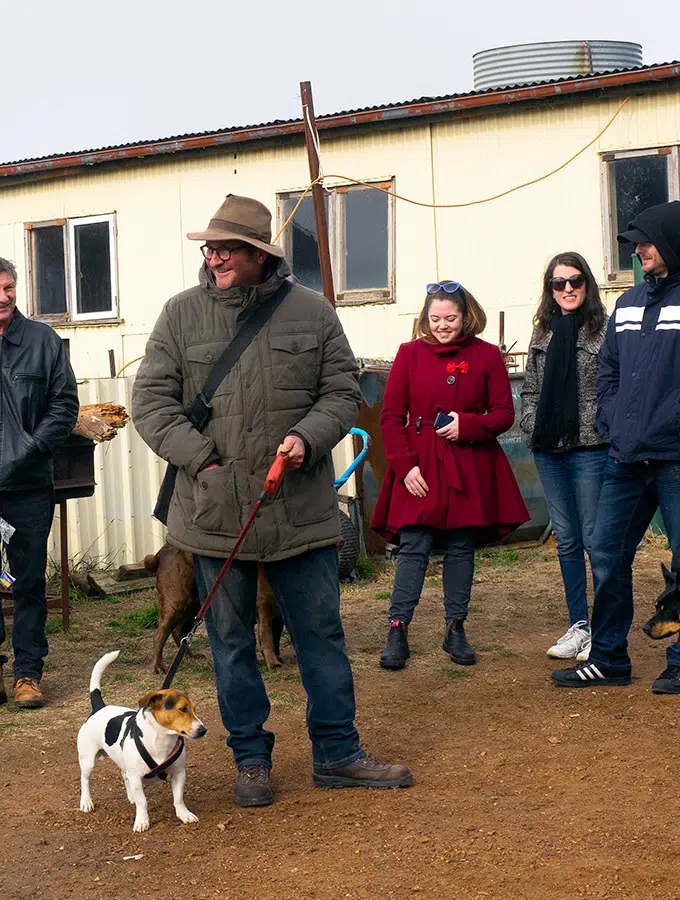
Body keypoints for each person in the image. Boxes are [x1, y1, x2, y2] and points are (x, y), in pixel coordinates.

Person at [131, 194, 412, 805]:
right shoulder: (179, 315)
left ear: (260, 254)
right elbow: (150, 403)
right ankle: (251, 761)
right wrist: (200, 457)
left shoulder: (313, 313)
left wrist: (306, 439)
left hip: (299, 510)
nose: (213, 256)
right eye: (209, 247)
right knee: (230, 645)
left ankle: (338, 753)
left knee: (321, 636)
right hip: (211, 513)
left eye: (226, 247)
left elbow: (341, 392)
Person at [552, 200, 680, 691]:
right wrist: (612, 418)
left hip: (675, 458)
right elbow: (608, 372)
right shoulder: (627, 305)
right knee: (605, 553)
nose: (639, 249)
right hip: (625, 457)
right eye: (634, 243)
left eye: (647, 240)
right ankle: (608, 658)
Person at [371, 280, 529, 670]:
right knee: (414, 545)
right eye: (435, 318)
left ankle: (455, 629)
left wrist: (468, 425)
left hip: (467, 462)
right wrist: (404, 466)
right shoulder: (409, 355)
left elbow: (504, 414)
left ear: (466, 316)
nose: (442, 326)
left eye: (451, 318)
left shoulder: (487, 355)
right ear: (425, 317)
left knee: (460, 547)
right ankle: (397, 630)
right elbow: (391, 418)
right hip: (419, 461)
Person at [520, 252, 609, 662]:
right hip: (549, 449)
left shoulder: (604, 332)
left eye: (575, 281)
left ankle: (605, 630)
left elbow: (615, 385)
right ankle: (579, 625)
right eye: (559, 283)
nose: (568, 289)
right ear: (550, 290)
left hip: (590, 448)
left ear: (587, 284)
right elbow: (531, 390)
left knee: (595, 540)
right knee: (568, 540)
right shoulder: (542, 334)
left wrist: (603, 426)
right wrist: (530, 424)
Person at [0, 257, 79, 709]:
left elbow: (65, 405)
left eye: (9, 287)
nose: (3, 297)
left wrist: (30, 448)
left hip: (29, 485)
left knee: (28, 582)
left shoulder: (43, 341)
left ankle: (27, 673)